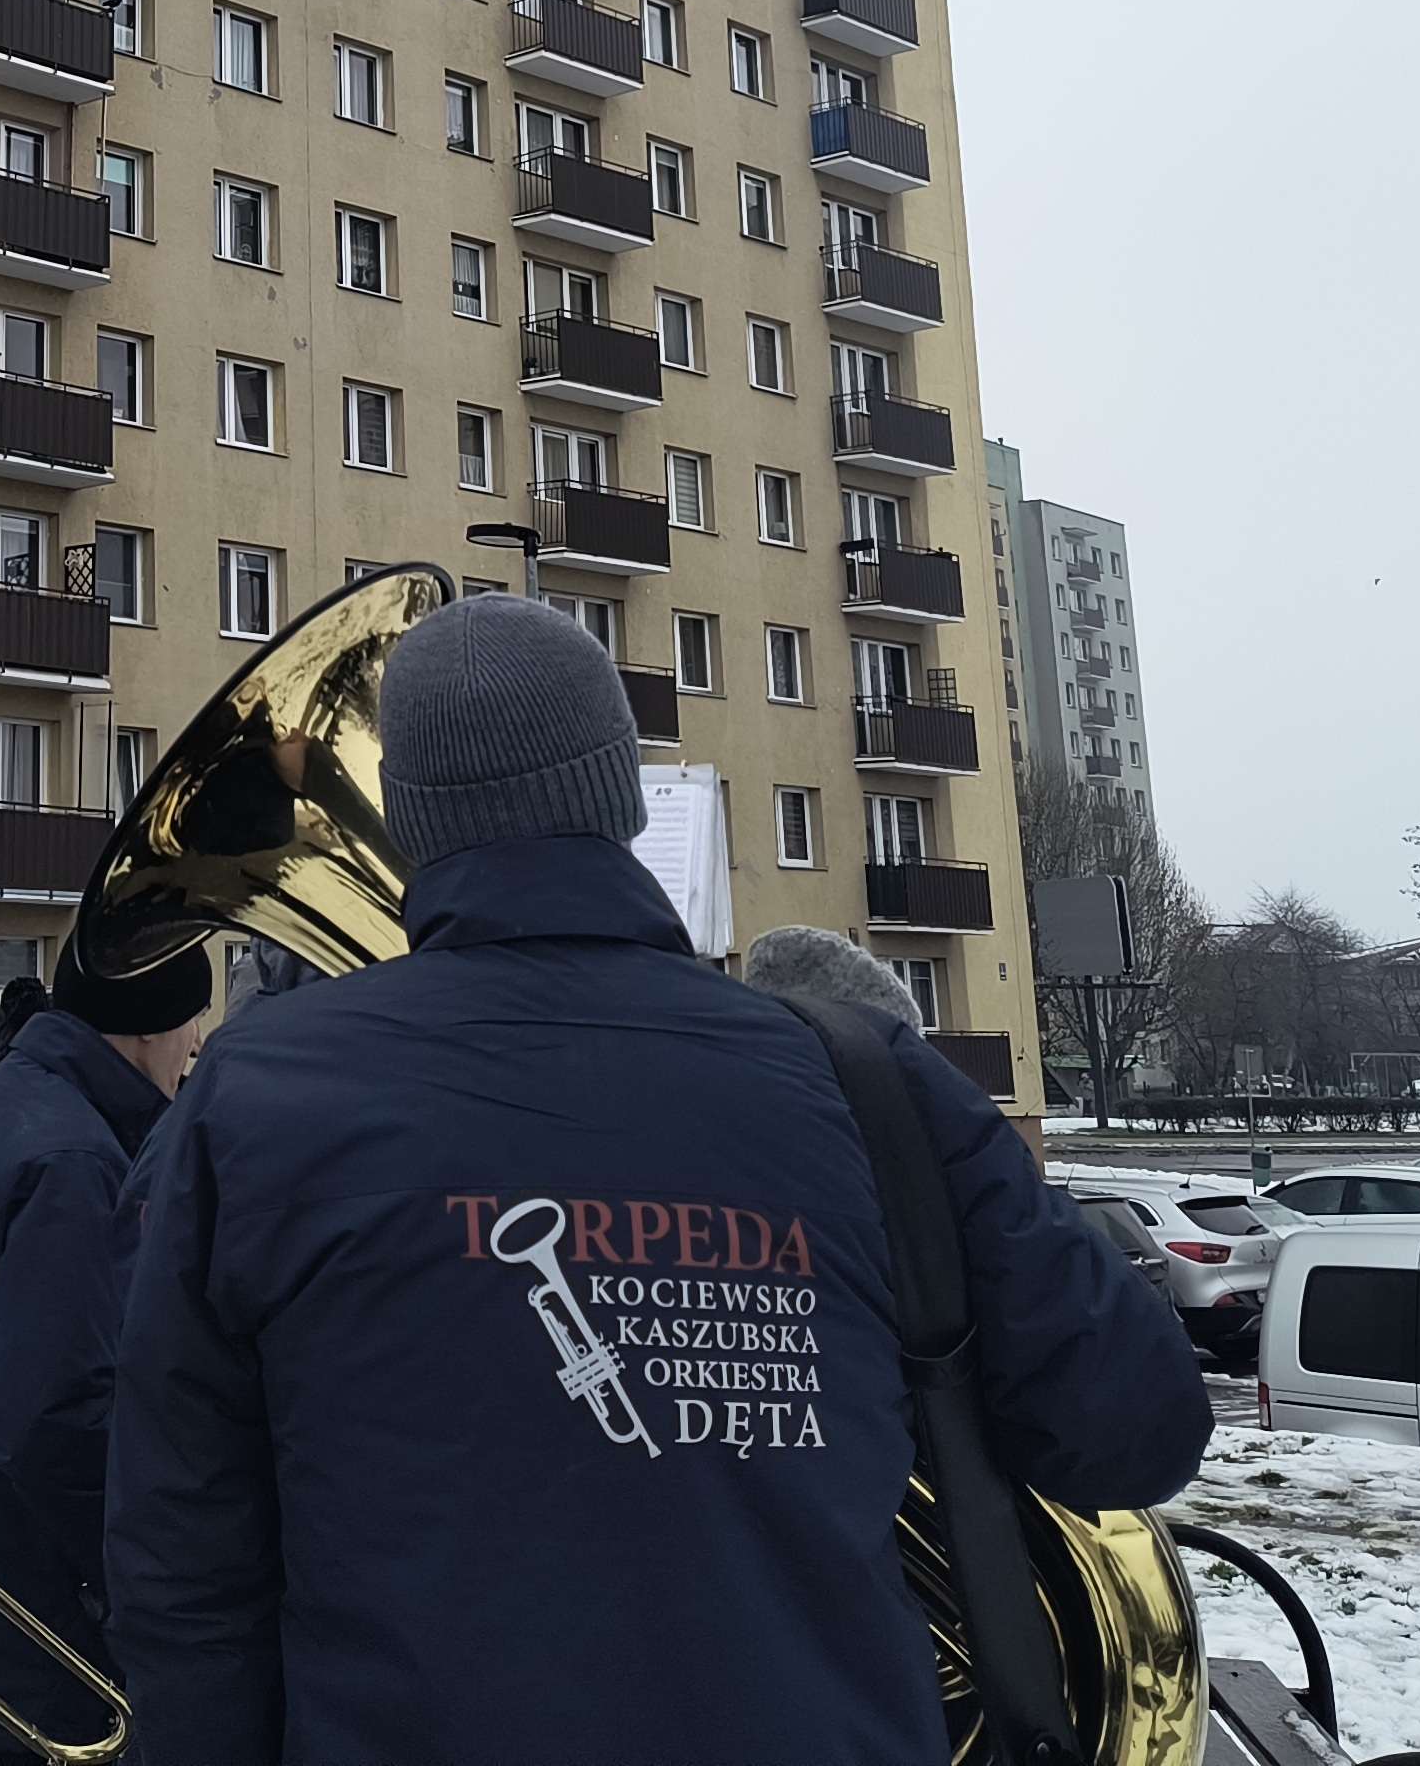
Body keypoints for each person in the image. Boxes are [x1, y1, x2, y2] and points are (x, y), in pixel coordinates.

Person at [106, 596, 1207, 1766]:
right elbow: (1130, 1435)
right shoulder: (865, 1074)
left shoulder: (248, 1096)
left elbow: (179, 1565)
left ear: (411, 821)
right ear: (626, 800)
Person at [0, 941, 211, 1765]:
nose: (198, 1044)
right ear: (144, 1026)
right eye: (192, 1021)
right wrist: (158, 1591)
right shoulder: (72, 1160)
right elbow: (62, 1422)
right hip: (34, 1633)